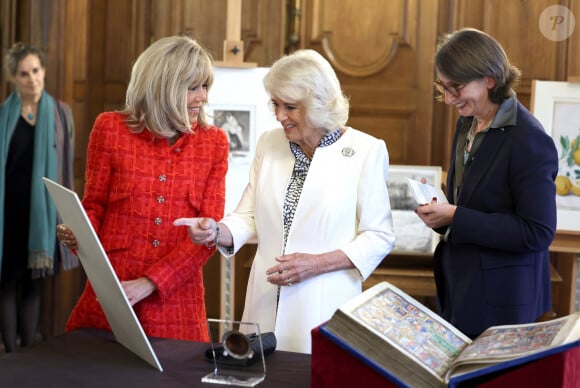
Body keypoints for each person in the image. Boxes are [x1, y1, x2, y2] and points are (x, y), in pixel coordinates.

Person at [175, 49, 395, 353]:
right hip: (264, 301)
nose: (279, 116)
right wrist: (215, 231)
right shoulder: (269, 142)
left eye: (290, 107)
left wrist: (315, 263)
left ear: (318, 105)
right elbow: (248, 216)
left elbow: (379, 236)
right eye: (275, 104)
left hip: (324, 304)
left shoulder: (366, 151)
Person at [56, 36, 229, 342]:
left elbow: (207, 236)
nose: (202, 97)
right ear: (163, 86)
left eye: (205, 87)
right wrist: (77, 234)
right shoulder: (110, 129)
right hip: (111, 301)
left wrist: (150, 283)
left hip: (177, 310)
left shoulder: (214, 144)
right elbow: (93, 207)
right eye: (192, 87)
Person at [415, 28, 558, 339]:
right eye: (444, 85)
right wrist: (441, 215)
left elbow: (538, 233)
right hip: (461, 290)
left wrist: (455, 216)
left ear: (490, 79)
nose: (449, 98)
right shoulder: (467, 121)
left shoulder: (529, 140)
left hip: (504, 303)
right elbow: (473, 201)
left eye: (457, 87)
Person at [0, 43, 75, 352]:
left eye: (36, 71)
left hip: (41, 215)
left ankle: (26, 354)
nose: (31, 79)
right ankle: (9, 355)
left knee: (33, 285)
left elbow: (66, 167)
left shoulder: (61, 113)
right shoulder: (3, 115)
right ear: (13, 78)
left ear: (43, 71)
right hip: (7, 212)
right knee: (4, 284)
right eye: (23, 73)